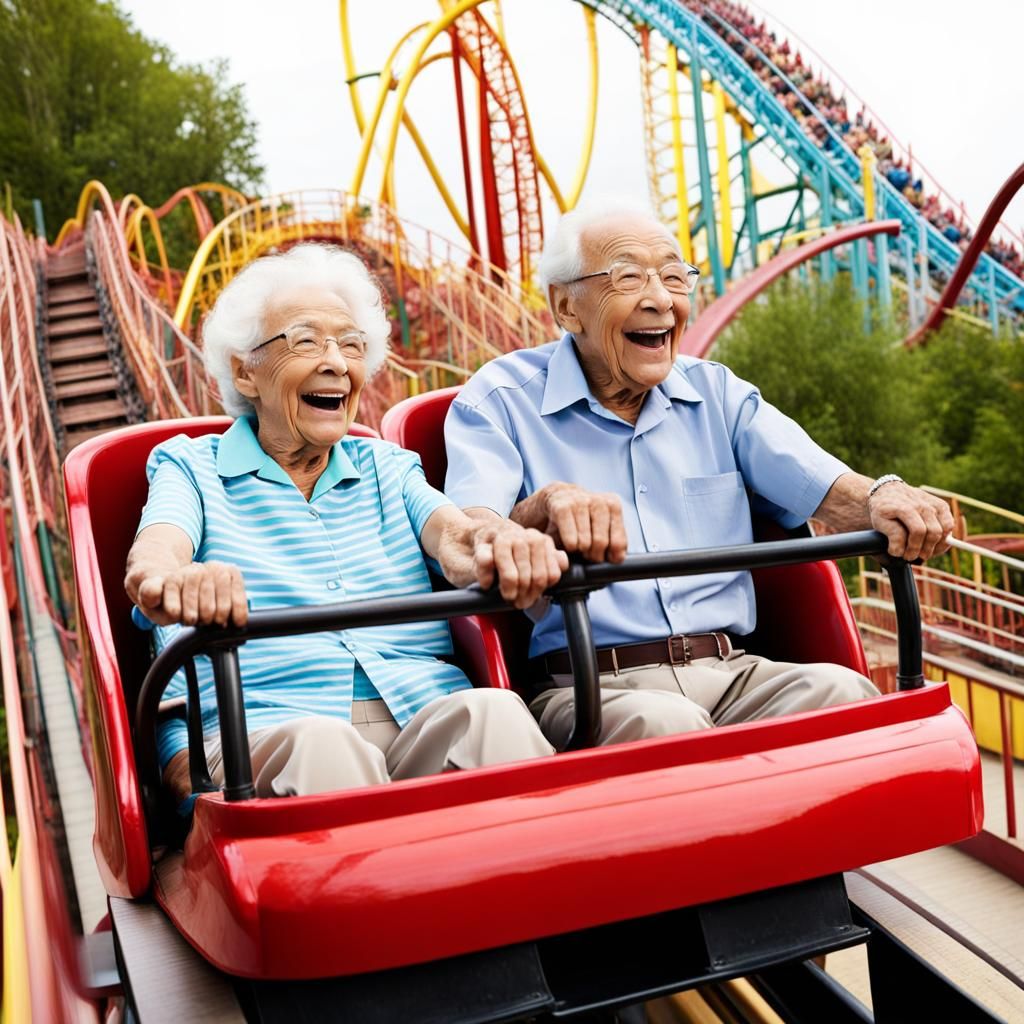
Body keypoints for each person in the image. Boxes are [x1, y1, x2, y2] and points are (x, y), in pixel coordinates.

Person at [444, 197, 955, 750]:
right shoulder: (498, 400)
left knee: (845, 695)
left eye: (673, 276)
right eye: (629, 278)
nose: (660, 300)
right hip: (591, 683)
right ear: (567, 308)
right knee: (670, 732)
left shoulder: (718, 393)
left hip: (733, 672)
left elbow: (827, 488)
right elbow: (473, 531)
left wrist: (883, 496)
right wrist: (535, 515)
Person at [125, 243, 565, 807]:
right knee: (323, 749)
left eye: (352, 345)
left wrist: (501, 546)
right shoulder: (190, 466)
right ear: (245, 371)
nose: (337, 362)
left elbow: (458, 537)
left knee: (494, 714)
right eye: (307, 341)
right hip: (257, 727)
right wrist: (175, 580)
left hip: (415, 709)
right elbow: (156, 555)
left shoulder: (388, 467)